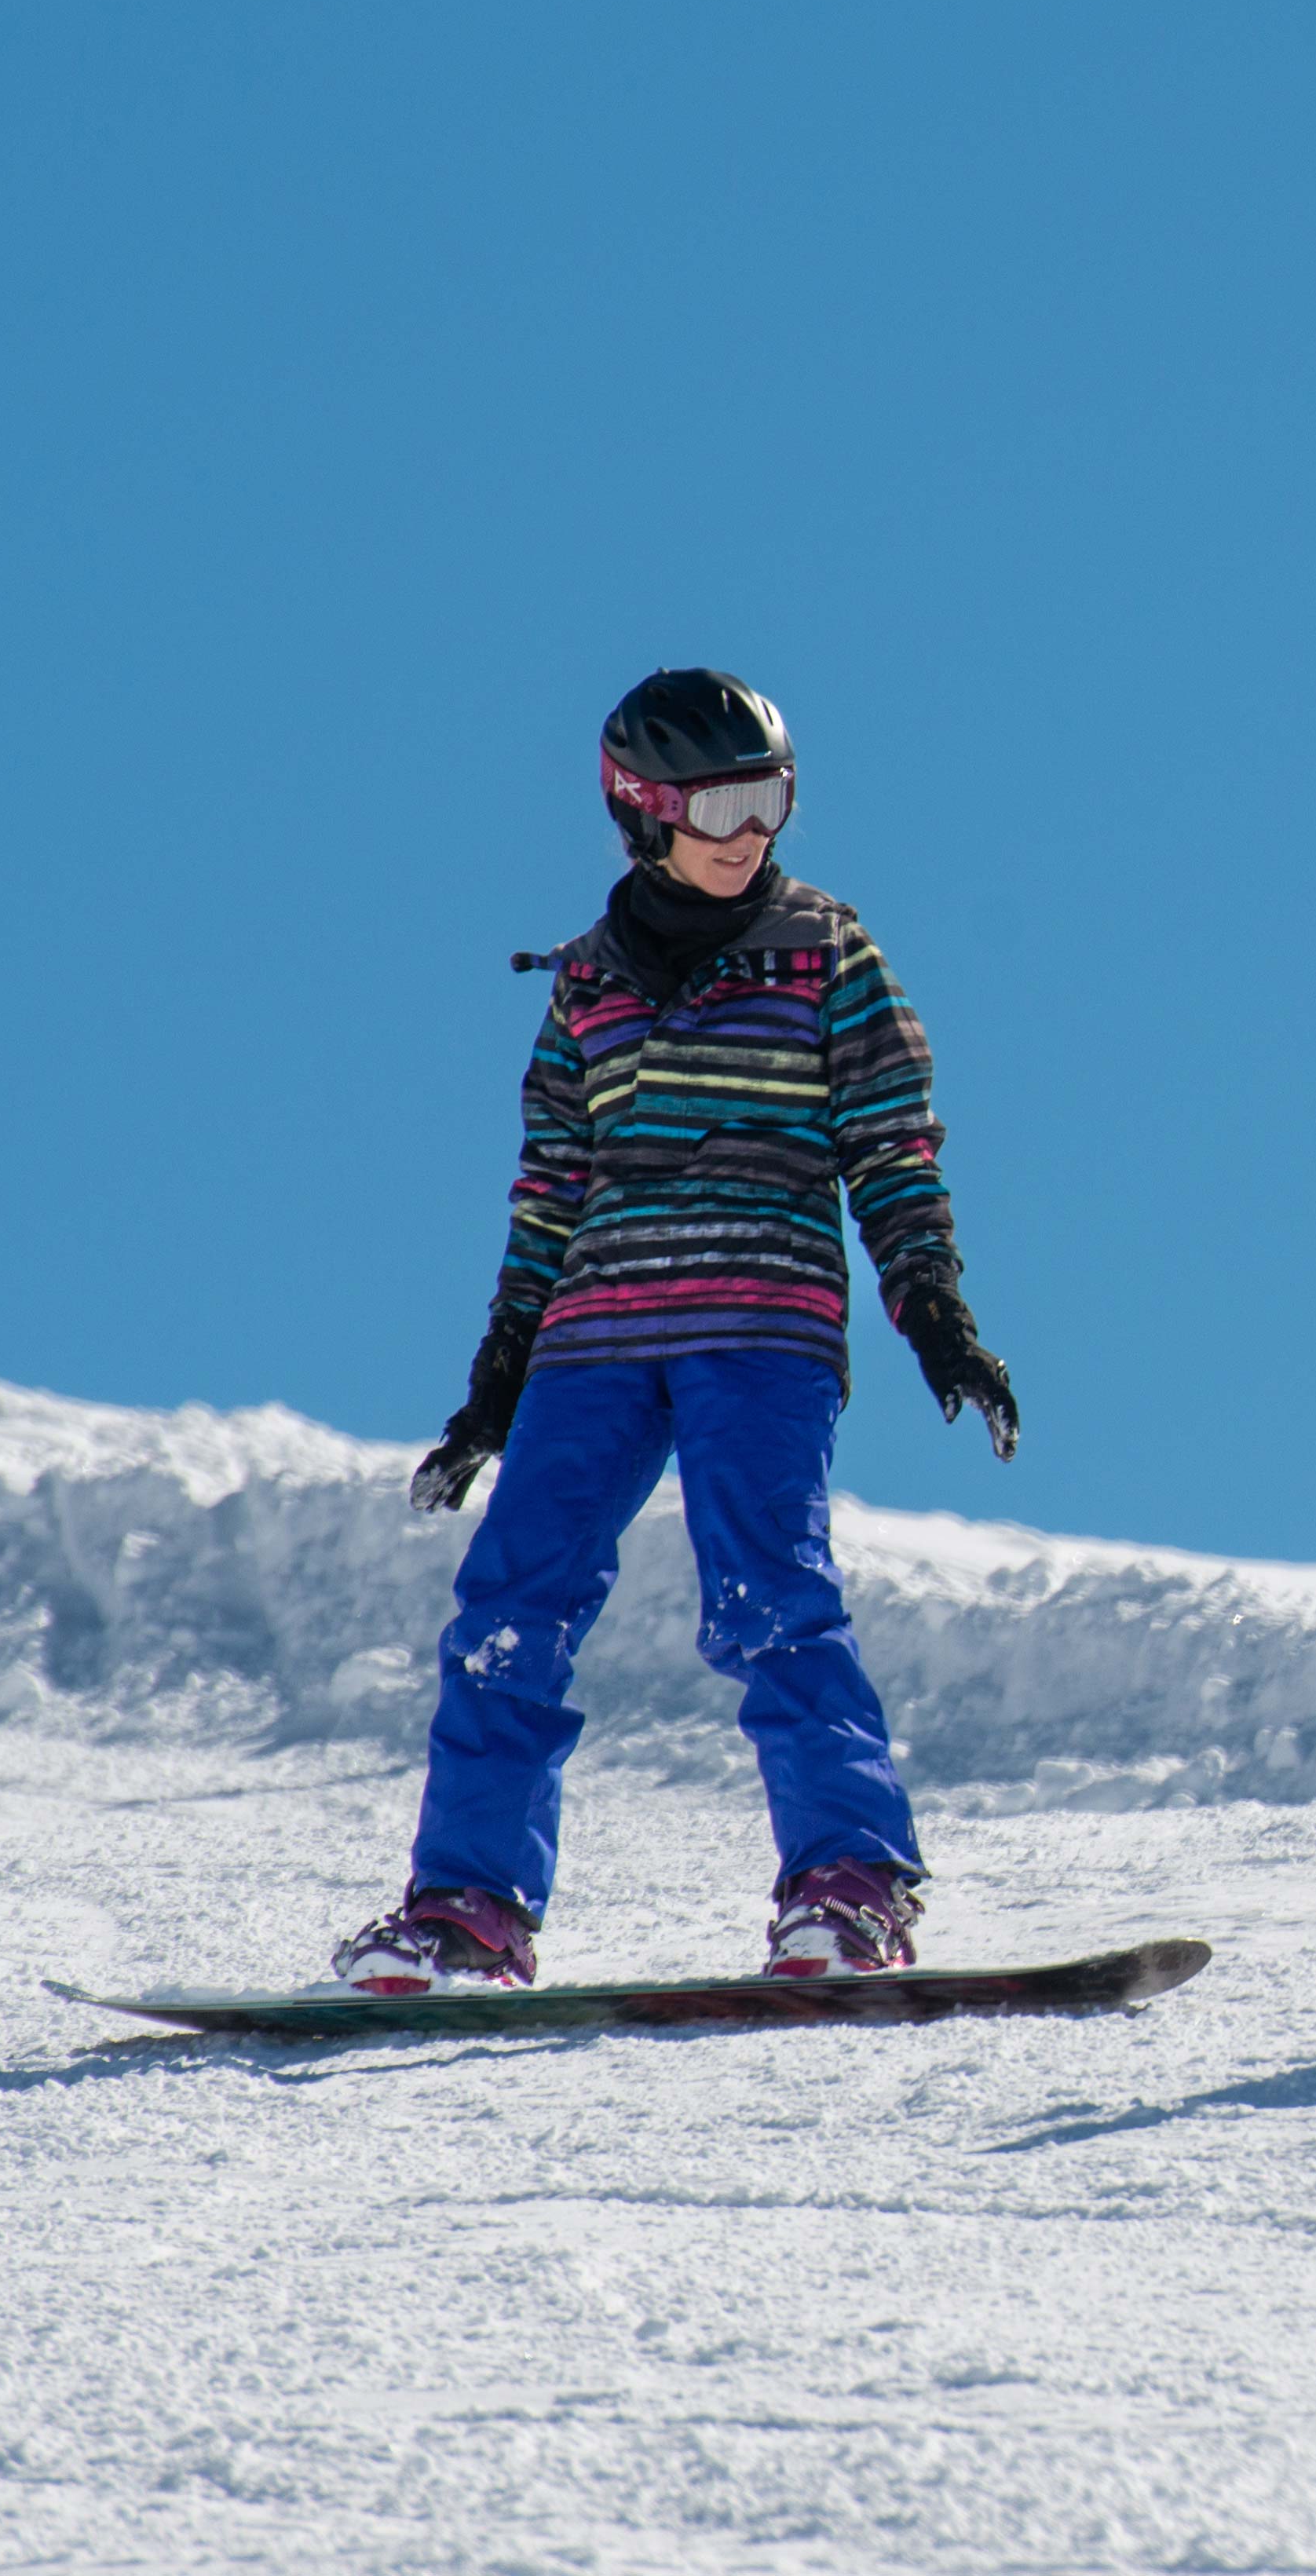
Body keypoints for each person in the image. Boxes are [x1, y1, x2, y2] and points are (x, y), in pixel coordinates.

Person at [332, 669, 1022, 1993]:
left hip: (758, 1321)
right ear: (641, 810)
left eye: (770, 798)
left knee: (770, 1594)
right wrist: (495, 1383)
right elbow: (549, 1191)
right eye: (719, 803)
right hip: (593, 1338)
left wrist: (933, 1310)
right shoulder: (583, 983)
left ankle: (850, 1881)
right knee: (507, 1611)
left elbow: (890, 1144)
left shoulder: (828, 951)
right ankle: (469, 1907)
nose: (749, 831)